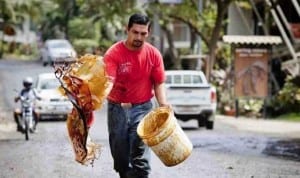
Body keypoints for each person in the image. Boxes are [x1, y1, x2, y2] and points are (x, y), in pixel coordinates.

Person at [103, 13, 169, 178]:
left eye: (143, 33)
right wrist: (98, 97)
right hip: (117, 108)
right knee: (120, 155)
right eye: (135, 32)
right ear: (127, 30)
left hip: (142, 107)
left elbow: (158, 82)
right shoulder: (113, 54)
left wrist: (163, 104)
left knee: (139, 149)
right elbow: (109, 81)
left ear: (148, 33)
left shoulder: (154, 55)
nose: (139, 37)